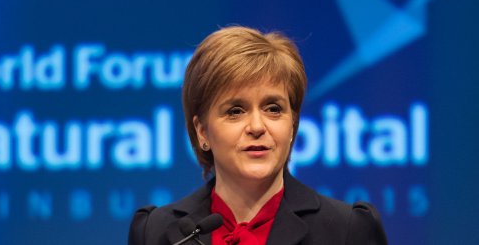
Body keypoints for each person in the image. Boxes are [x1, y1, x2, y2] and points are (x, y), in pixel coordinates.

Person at [128, 26, 388, 245]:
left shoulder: (346, 230)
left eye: (273, 109)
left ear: (293, 124)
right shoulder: (158, 232)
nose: (257, 126)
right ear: (202, 131)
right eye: (235, 111)